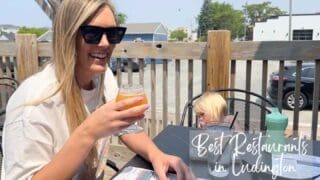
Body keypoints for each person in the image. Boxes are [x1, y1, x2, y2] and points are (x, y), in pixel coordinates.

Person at [1, 0, 194, 179]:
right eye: (92, 33)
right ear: (67, 36)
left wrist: (156, 155)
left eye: (112, 34)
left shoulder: (103, 76)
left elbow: (125, 127)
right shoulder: (33, 105)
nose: (105, 43)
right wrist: (88, 133)